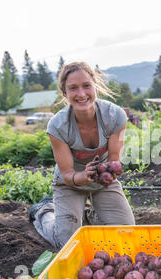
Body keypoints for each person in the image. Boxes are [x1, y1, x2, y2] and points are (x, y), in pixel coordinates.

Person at [29, 61, 135, 249]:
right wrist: (83, 176)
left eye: (86, 86)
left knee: (126, 234)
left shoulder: (114, 116)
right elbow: (68, 174)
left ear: (95, 85)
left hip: (102, 181)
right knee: (67, 244)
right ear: (65, 93)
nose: (81, 94)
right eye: (73, 88)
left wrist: (110, 170)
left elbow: (113, 159)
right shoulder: (58, 126)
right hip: (70, 184)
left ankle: (90, 215)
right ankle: (44, 212)